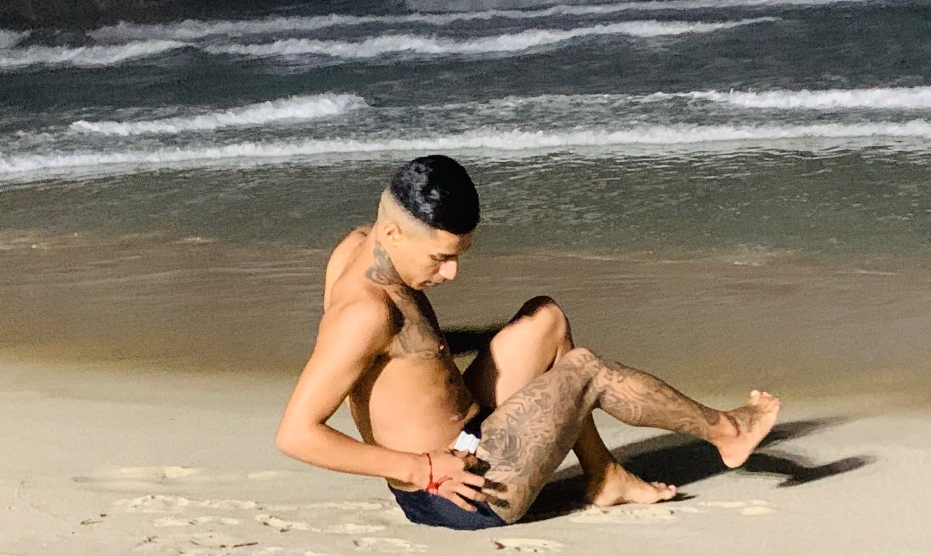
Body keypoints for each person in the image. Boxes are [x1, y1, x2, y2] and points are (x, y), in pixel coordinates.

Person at [275, 155, 780, 530]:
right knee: (586, 370)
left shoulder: (358, 244)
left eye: (458, 256)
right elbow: (297, 434)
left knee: (546, 318)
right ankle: (728, 432)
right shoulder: (364, 313)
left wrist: (474, 344)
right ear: (393, 233)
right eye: (440, 258)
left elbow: (396, 358)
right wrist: (422, 468)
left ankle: (604, 475)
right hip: (458, 493)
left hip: (465, 438)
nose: (451, 273)